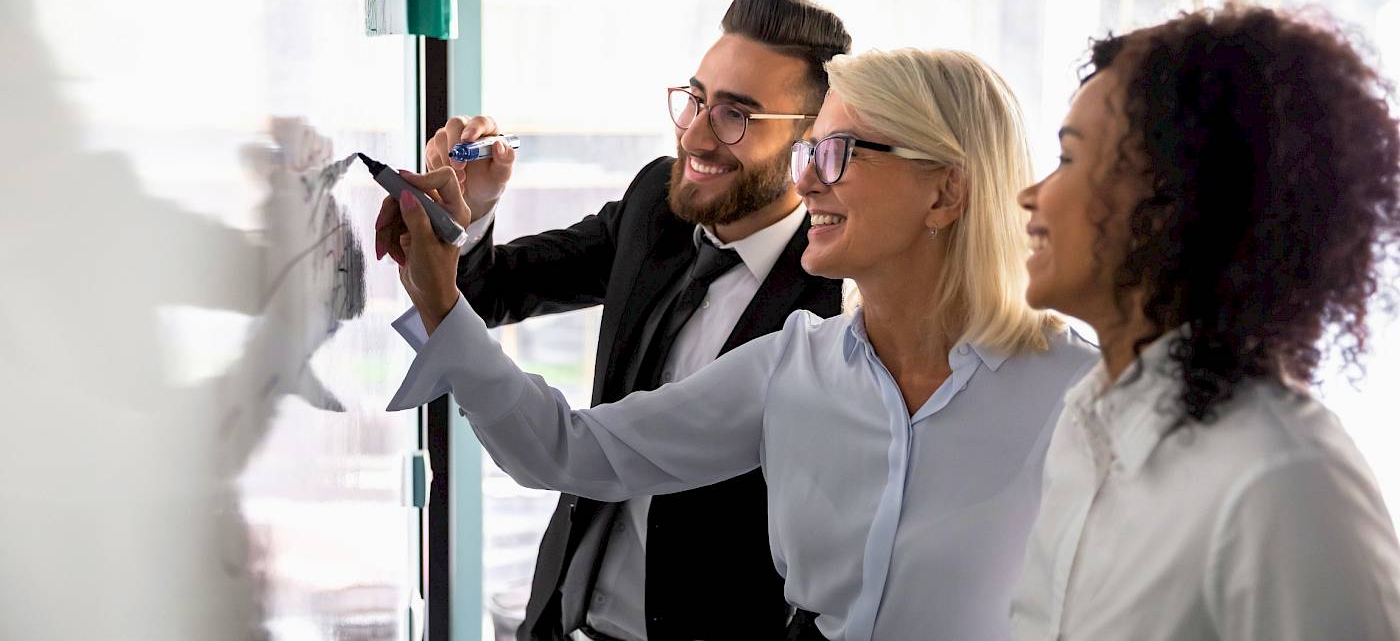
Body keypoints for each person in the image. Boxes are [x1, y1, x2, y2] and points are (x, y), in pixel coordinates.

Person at [379, 47, 1100, 640]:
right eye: (809, 152)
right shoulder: (792, 367)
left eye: (839, 153)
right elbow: (571, 450)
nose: (808, 180)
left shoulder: (1081, 395)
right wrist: (441, 301)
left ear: (945, 192)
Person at [378, 0, 851, 640]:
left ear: (810, 140)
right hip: (564, 622)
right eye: (696, 99)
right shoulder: (656, 206)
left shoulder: (837, 303)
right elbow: (486, 294)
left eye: (735, 115)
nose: (696, 134)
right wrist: (475, 206)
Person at [1011, 4, 1400, 639]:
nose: (1032, 195)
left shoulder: (1286, 482)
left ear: (1171, 200)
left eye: (1069, 159)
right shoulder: (1084, 431)